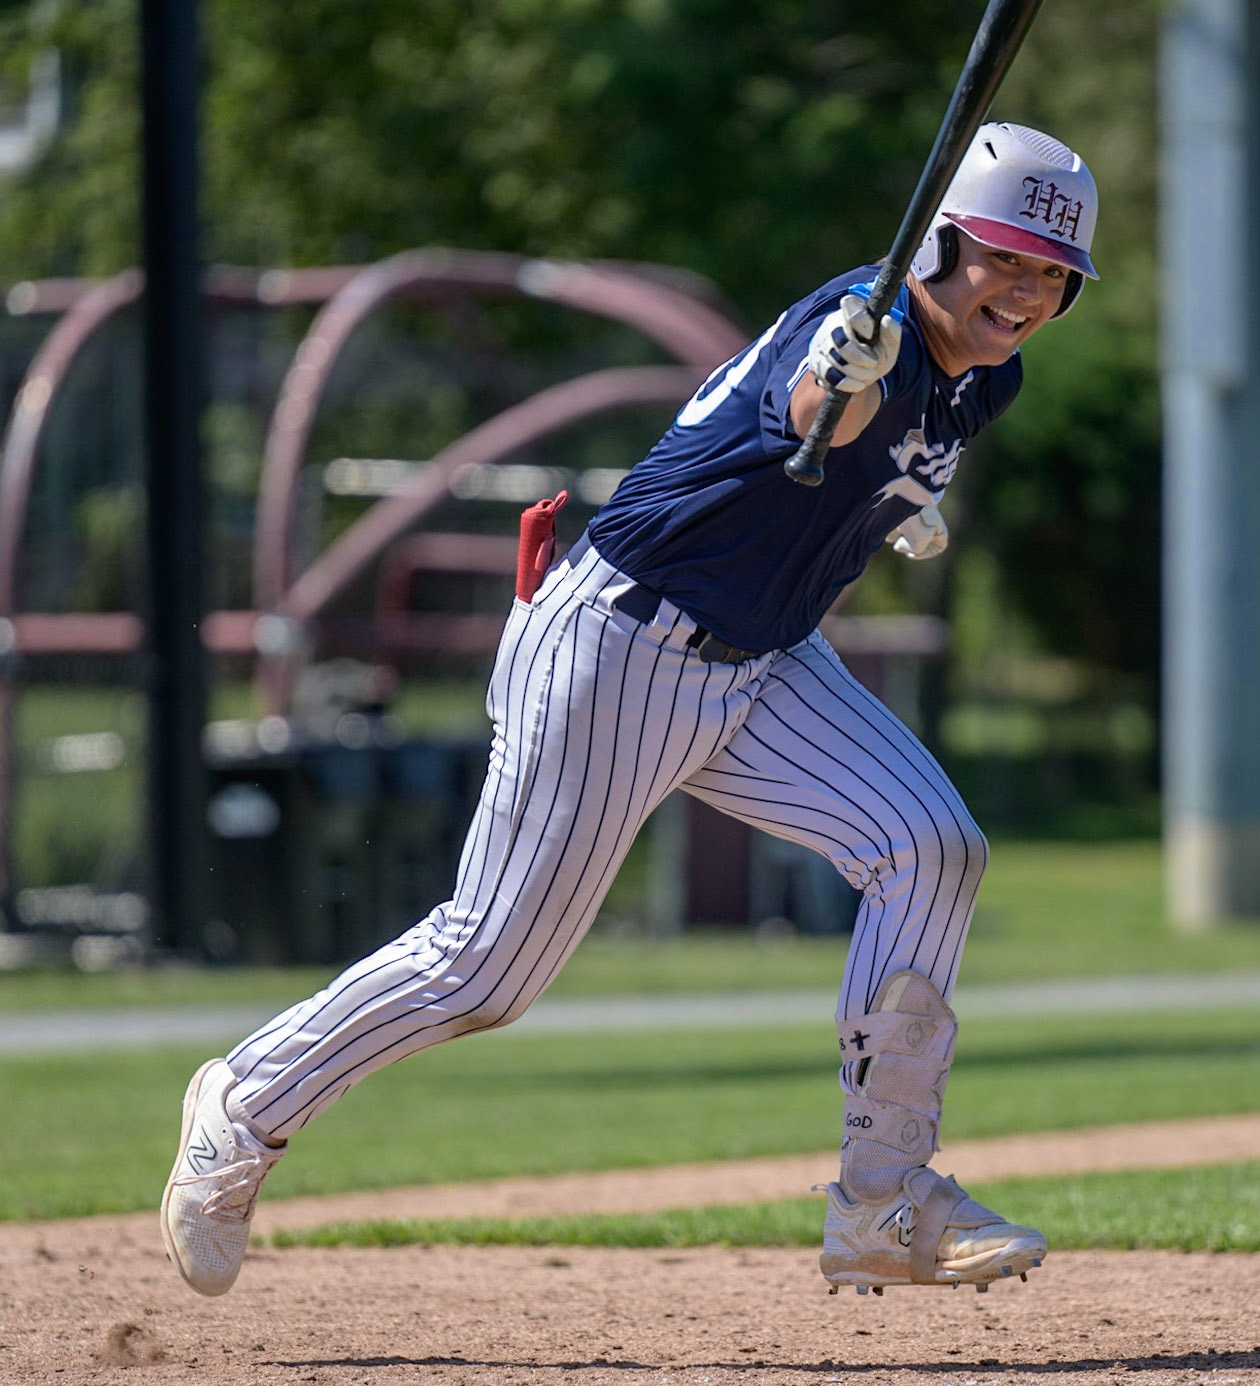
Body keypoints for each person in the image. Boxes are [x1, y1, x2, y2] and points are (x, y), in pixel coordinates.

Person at [160, 122, 1098, 1300]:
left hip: (759, 657)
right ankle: (244, 1103)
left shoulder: (986, 373)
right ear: (940, 242)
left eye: (1050, 273)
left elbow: (855, 460)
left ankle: (882, 1198)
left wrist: (888, 503)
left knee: (931, 845)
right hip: (620, 644)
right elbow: (818, 402)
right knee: (484, 970)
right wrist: (841, 385)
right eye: (1005, 257)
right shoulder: (865, 325)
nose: (1025, 289)